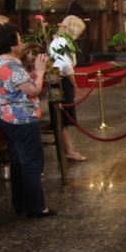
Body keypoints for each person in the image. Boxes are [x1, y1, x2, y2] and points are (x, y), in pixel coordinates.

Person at [0, 23, 56, 218]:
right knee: (31, 163)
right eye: (19, 40)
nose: (21, 43)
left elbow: (14, 85)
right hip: (22, 118)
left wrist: (31, 76)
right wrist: (40, 72)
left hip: (5, 116)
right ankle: (36, 207)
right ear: (12, 46)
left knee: (18, 162)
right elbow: (33, 91)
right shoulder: (12, 66)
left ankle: (20, 203)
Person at [48, 15, 87, 162]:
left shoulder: (56, 40)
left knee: (62, 119)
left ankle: (66, 149)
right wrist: (74, 84)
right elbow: (65, 66)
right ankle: (68, 151)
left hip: (56, 81)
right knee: (63, 119)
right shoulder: (64, 42)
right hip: (62, 82)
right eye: (80, 30)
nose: (80, 34)